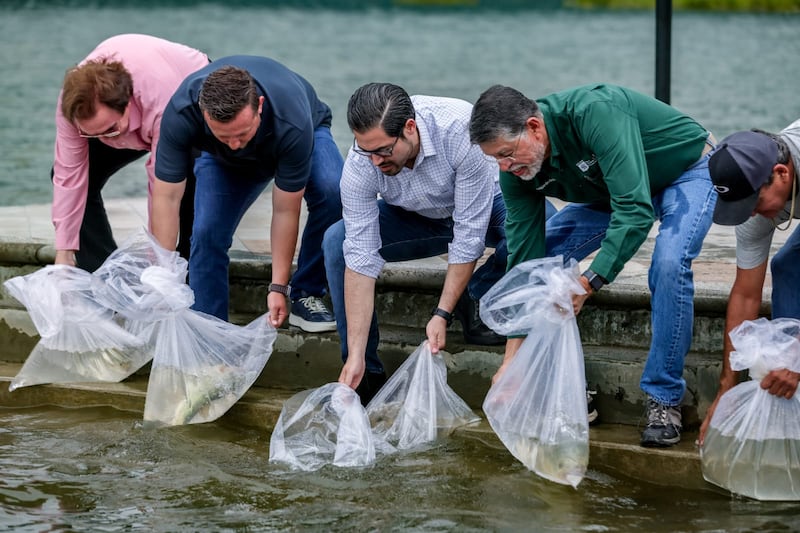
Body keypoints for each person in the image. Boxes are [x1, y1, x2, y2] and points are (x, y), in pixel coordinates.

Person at [469, 83, 718, 448]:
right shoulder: (514, 169)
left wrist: (587, 283)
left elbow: (634, 212)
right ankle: (564, 386)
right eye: (496, 161)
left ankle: (664, 399)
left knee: (668, 262)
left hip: (685, 169)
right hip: (610, 190)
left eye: (507, 155)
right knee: (543, 256)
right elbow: (526, 256)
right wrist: (512, 362)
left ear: (535, 127)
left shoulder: (595, 112)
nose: (505, 167)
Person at [323, 82, 528, 405]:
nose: (375, 161)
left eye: (384, 151)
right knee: (336, 240)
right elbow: (361, 257)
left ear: (409, 128)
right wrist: (355, 355)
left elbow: (469, 234)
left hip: (487, 207)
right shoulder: (362, 162)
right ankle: (365, 375)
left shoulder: (459, 129)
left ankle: (472, 293)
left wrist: (442, 312)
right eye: (366, 150)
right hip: (413, 216)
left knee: (543, 226)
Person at [151, 56, 342, 332]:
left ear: (259, 107)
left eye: (241, 133)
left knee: (332, 190)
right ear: (204, 113)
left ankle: (307, 293)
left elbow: (285, 209)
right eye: (224, 135)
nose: (235, 144)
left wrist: (278, 287)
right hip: (221, 162)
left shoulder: (292, 121)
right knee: (206, 232)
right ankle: (209, 330)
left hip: (302, 131)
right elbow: (166, 198)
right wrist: (164, 277)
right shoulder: (181, 112)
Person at [52, 33, 209, 272]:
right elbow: (68, 175)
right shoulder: (71, 105)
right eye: (92, 134)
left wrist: (160, 266)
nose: (103, 140)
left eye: (109, 130)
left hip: (192, 92)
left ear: (126, 104)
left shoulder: (162, 102)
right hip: (139, 102)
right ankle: (103, 275)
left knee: (188, 181)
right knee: (77, 177)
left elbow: (162, 187)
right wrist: (63, 257)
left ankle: (189, 276)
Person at [698, 120, 800, 445]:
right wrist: (725, 393)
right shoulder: (752, 202)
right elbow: (745, 296)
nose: (751, 214)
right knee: (787, 268)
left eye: (755, 203)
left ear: (782, 174)